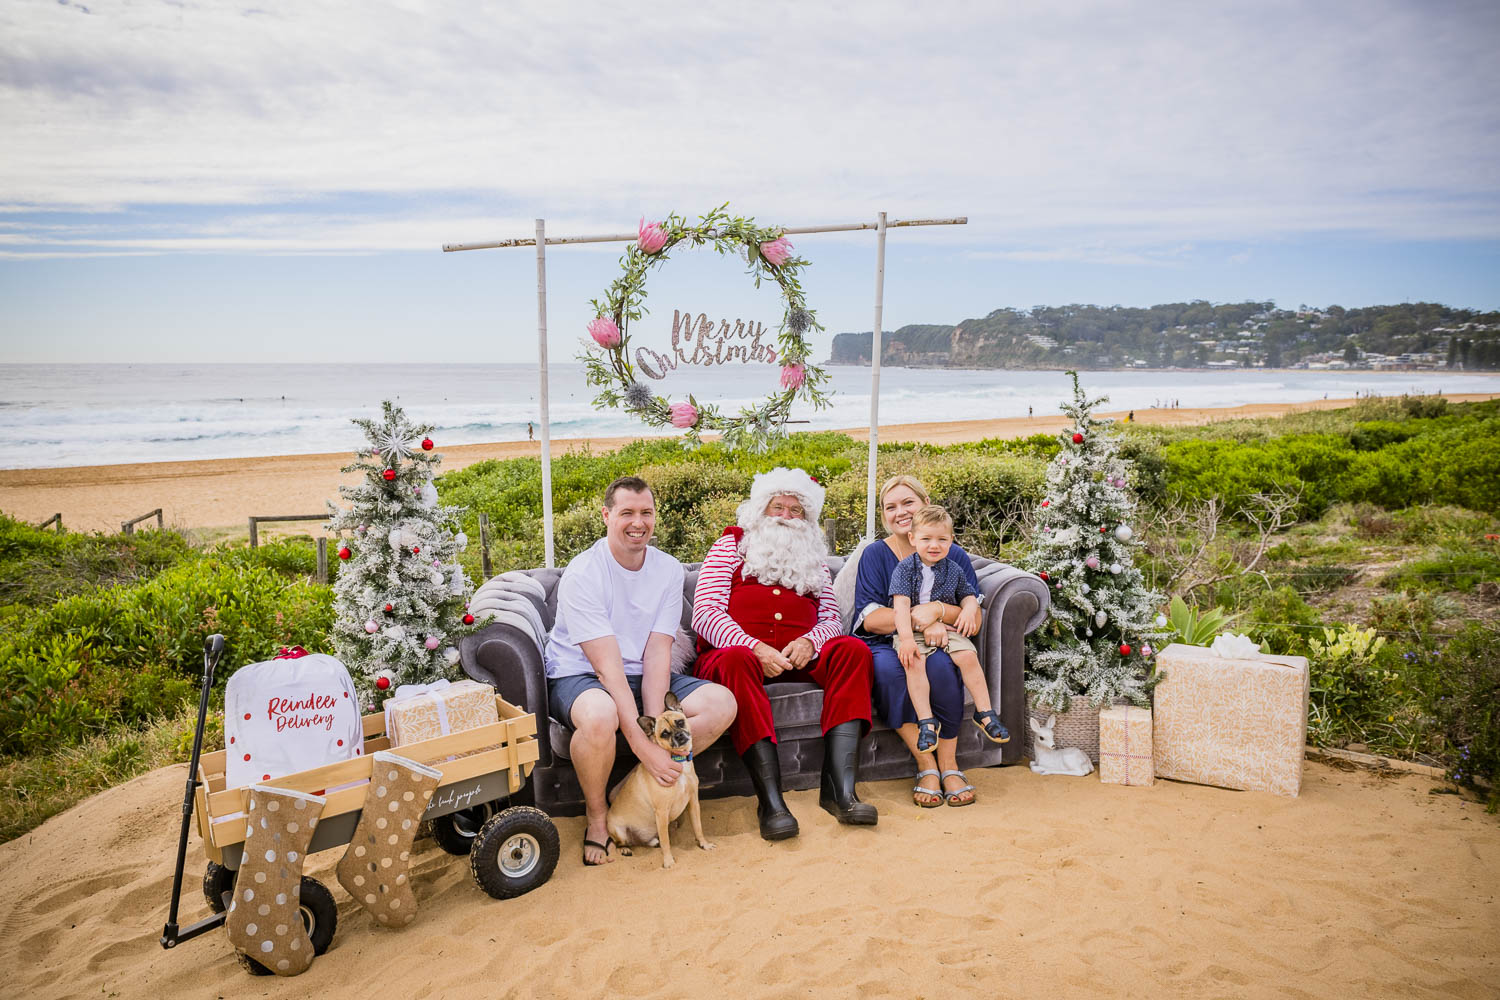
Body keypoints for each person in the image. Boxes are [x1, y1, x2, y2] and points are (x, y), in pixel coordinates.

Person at [544, 475, 737, 866]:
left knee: (722, 704)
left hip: (640, 672)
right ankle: (598, 817)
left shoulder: (667, 570)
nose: (638, 522)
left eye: (646, 512)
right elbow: (608, 668)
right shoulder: (583, 573)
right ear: (606, 515)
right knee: (601, 717)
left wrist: (654, 729)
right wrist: (641, 745)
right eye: (627, 513)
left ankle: (632, 790)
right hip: (581, 673)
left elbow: (657, 654)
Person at [692, 467, 877, 840]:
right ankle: (771, 802)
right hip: (739, 659)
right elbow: (706, 612)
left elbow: (830, 618)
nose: (787, 517)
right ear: (762, 510)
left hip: (800, 657)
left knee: (852, 650)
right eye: (778, 507)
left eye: (796, 511)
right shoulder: (732, 545)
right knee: (735, 659)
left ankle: (840, 792)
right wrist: (754, 646)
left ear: (807, 518)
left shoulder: (813, 557)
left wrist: (812, 642)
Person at [854, 475, 985, 807]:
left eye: (908, 502)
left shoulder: (950, 552)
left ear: (926, 504)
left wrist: (939, 610)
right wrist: (923, 618)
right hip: (884, 641)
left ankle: (950, 765)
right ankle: (927, 765)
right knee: (893, 668)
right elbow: (870, 618)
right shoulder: (874, 555)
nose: (900, 511)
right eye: (890, 506)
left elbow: (972, 614)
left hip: (940, 642)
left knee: (941, 666)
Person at [890, 504, 1008, 753]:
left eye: (942, 539)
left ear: (951, 541)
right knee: (914, 662)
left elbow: (968, 595)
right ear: (912, 539)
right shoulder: (904, 569)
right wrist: (907, 639)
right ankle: (926, 722)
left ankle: (985, 712)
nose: (934, 545)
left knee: (967, 655)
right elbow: (900, 607)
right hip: (912, 633)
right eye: (926, 539)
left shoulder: (953, 568)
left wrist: (967, 609)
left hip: (947, 629)